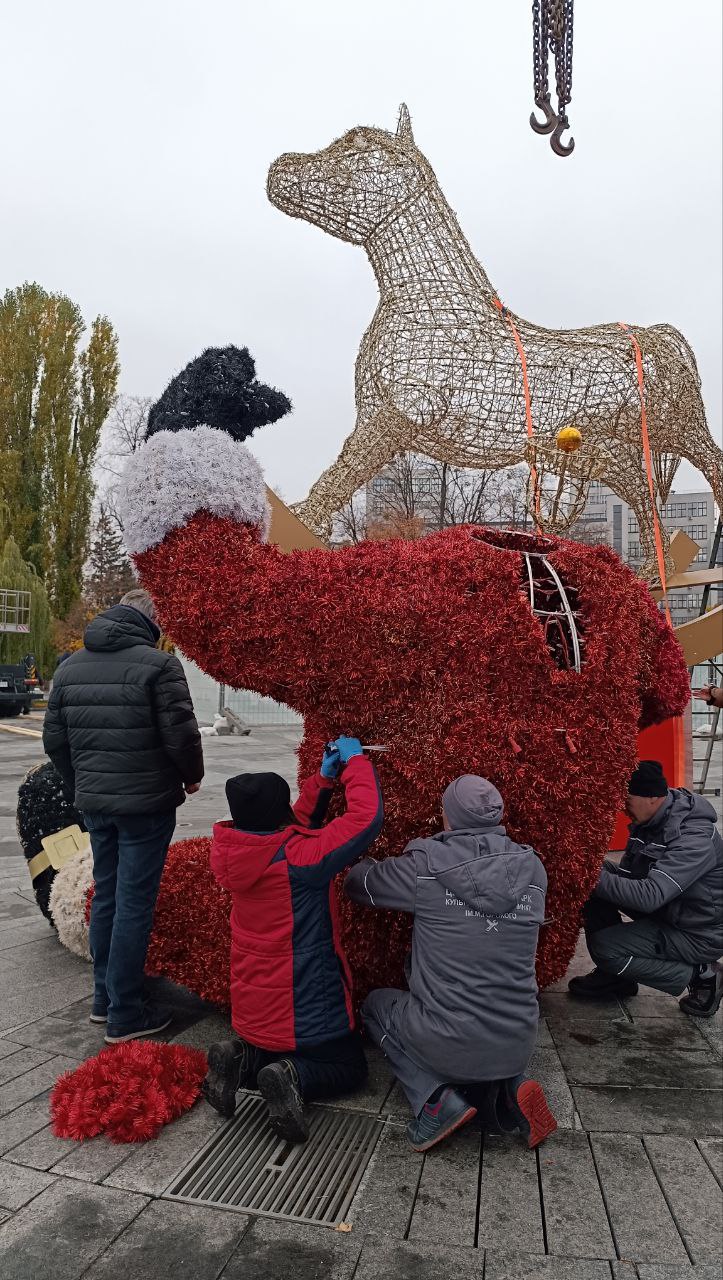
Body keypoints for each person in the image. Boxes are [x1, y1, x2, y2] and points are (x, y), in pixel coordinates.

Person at [345, 774, 557, 1153]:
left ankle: (433, 1099)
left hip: (444, 1039)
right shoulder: (534, 869)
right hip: (519, 1038)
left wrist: (368, 861)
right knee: (481, 1027)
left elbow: (359, 885)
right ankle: (510, 1086)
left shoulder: (424, 868)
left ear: (448, 817)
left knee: (375, 1006)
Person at [203, 736, 383, 1141]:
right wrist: (355, 764)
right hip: (304, 1009)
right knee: (349, 1067)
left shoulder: (237, 850)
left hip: (254, 1012)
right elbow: (365, 820)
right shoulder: (303, 860)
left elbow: (294, 827)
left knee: (270, 1048)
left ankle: (241, 1058)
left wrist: (322, 780)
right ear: (277, 812)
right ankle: (293, 1076)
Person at [43, 588, 203, 1043]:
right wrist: (191, 777)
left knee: (108, 896)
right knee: (134, 903)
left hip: (96, 805)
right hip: (146, 806)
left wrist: (82, 786)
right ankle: (126, 1013)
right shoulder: (159, 665)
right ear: (151, 622)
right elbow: (182, 735)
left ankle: (103, 999)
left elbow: (54, 741)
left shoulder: (70, 666)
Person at [568, 760, 723, 1017]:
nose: (621, 807)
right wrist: (586, 863)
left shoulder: (693, 837)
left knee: (605, 948)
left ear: (652, 797)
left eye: (626, 800)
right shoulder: (652, 817)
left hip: (697, 933)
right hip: (670, 910)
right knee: (598, 878)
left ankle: (703, 974)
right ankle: (616, 978)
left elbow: (649, 897)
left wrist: (585, 873)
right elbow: (630, 876)